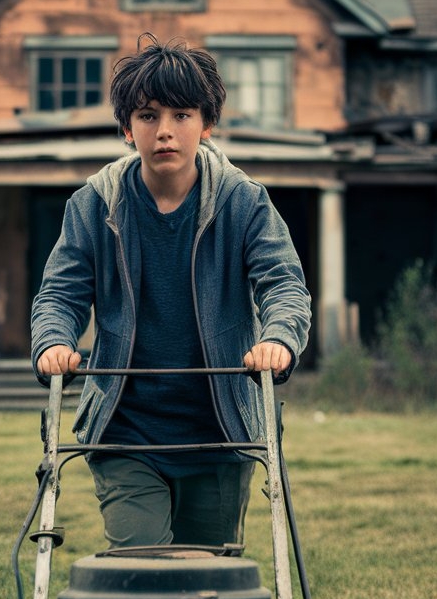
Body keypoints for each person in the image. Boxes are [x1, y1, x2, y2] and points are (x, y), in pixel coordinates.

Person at [31, 33, 311, 549]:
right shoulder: (94, 206)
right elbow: (59, 295)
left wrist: (278, 340)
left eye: (181, 116)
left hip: (221, 432)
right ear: (125, 128)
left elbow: (284, 285)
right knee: (142, 562)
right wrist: (53, 342)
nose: (164, 132)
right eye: (148, 116)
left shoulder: (243, 203)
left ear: (206, 125)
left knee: (211, 583)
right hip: (126, 432)